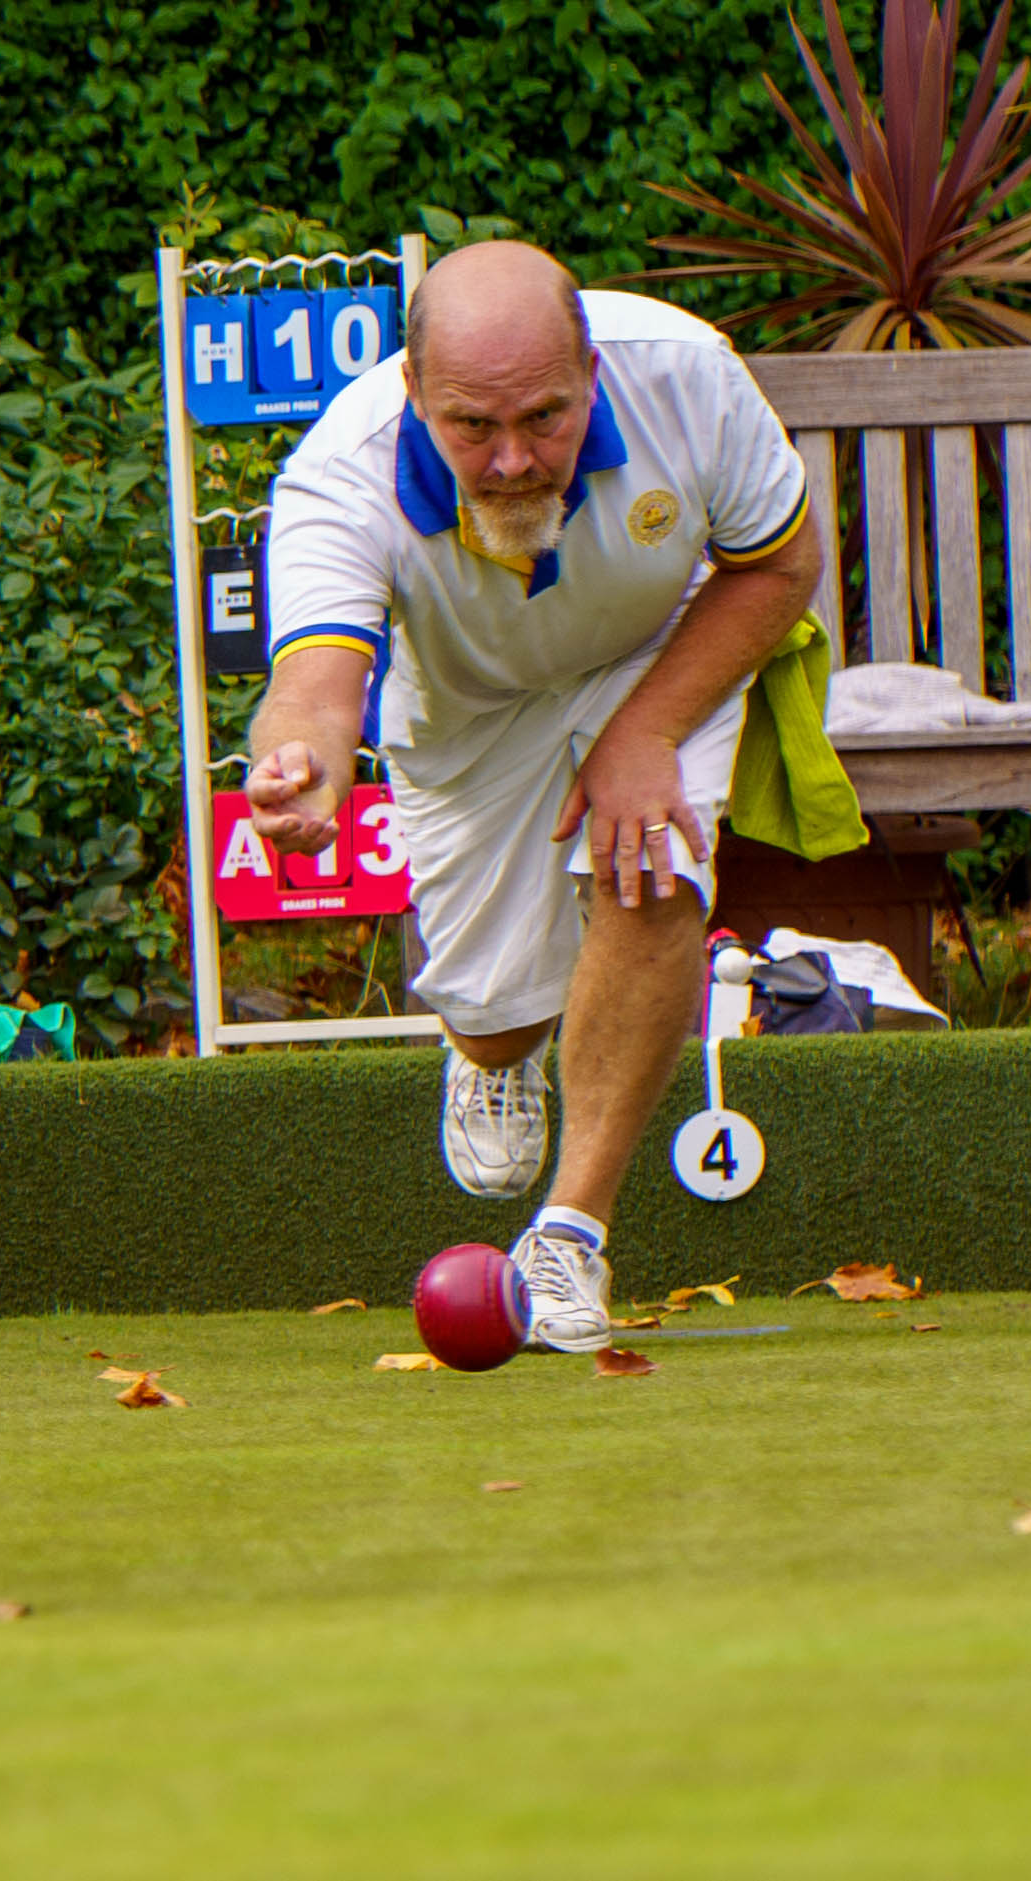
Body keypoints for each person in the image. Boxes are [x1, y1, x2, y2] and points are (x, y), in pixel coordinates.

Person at [241, 243, 824, 1351]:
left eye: (546, 418)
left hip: (657, 652)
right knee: (502, 1020)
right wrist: (301, 765)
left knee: (653, 871)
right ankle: (487, 1058)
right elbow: (314, 682)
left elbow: (781, 564)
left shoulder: (689, 374)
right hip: (467, 708)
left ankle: (569, 1238)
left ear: (592, 372)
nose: (513, 460)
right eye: (471, 427)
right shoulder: (341, 472)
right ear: (414, 392)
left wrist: (644, 728)